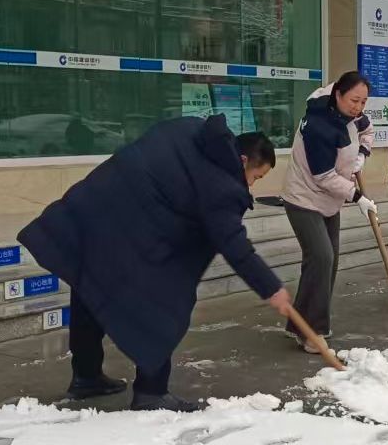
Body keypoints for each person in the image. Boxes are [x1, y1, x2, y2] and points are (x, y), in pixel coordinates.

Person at [19, 115, 294, 412]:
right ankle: (151, 392)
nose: (250, 185)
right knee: (164, 304)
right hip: (125, 229)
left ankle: (86, 376)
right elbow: (234, 245)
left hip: (90, 210)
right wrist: (271, 288)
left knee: (89, 282)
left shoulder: (190, 128)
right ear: (242, 160)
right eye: (256, 177)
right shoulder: (222, 186)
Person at [282, 71, 377, 350]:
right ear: (337, 94)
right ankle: (312, 331)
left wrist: (362, 154)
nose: (358, 107)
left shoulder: (354, 116)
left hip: (329, 201)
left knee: (327, 261)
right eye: (353, 101)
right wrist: (357, 196)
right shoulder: (318, 126)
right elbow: (323, 176)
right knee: (322, 257)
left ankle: (298, 323)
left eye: (363, 101)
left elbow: (367, 131)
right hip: (303, 197)